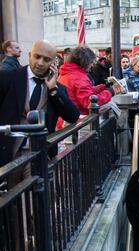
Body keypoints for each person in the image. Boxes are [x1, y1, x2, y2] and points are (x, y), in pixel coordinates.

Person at [0, 40, 80, 168]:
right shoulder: (8, 78)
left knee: (36, 185)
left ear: (54, 62)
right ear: (29, 55)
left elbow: (73, 116)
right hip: (8, 152)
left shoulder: (57, 88)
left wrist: (53, 89)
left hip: (40, 153)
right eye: (37, 57)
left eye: (46, 59)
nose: (40, 63)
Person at [58, 47, 121, 116]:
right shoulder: (78, 77)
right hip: (78, 119)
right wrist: (110, 92)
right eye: (91, 62)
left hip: (67, 116)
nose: (92, 65)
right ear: (85, 62)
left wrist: (103, 87)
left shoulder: (69, 72)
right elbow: (90, 102)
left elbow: (85, 91)